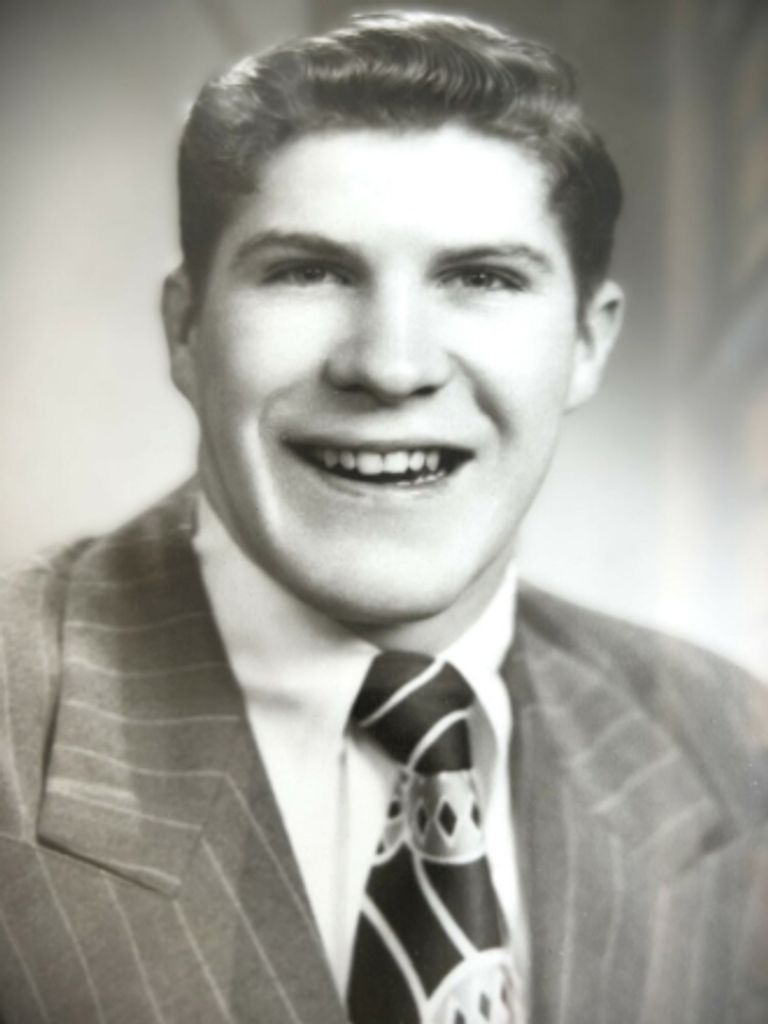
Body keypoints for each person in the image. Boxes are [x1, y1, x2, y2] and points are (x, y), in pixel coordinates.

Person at [0, 11, 766, 1024]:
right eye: (308, 271)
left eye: (481, 278)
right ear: (187, 329)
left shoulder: (733, 744)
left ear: (587, 342)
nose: (393, 365)